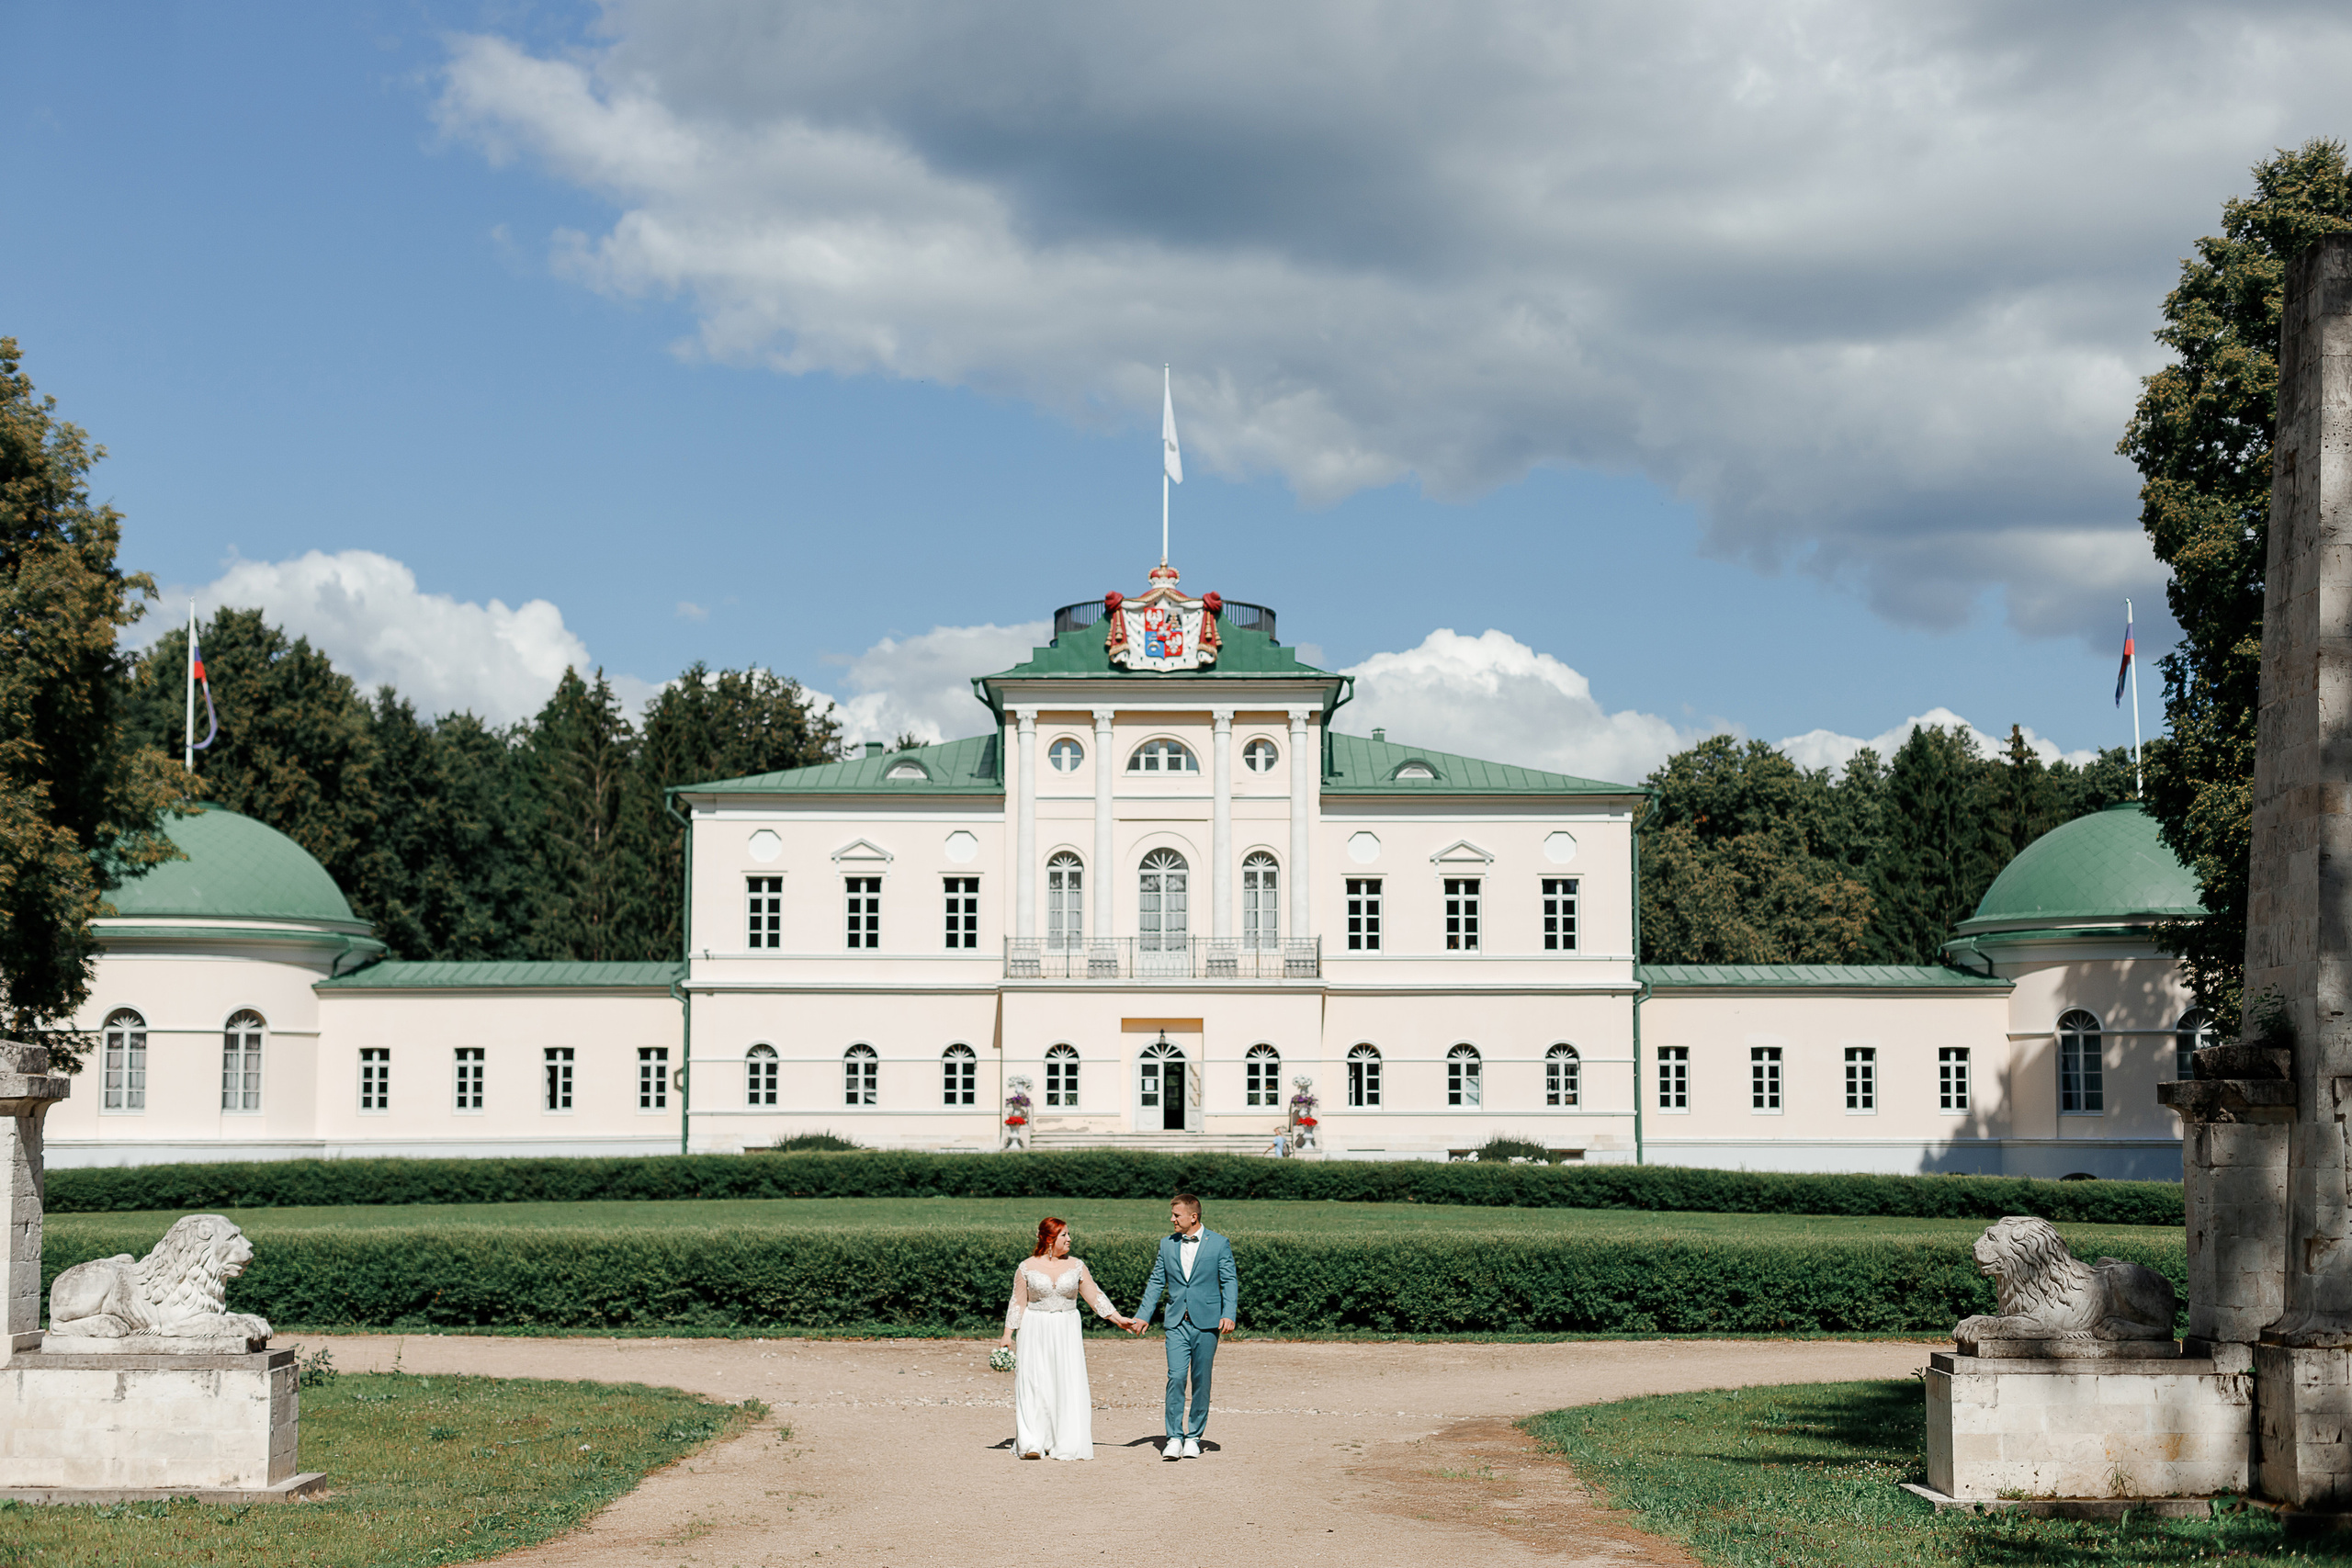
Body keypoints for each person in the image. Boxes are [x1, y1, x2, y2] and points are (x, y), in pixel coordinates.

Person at [999, 1216, 1137, 1460]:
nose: (1070, 1239)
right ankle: (1032, 1442)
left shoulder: (1076, 1265)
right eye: (1064, 1235)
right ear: (1049, 1239)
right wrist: (1007, 1336)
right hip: (1035, 1327)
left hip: (1066, 1328)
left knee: (1066, 1381)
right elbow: (1018, 1303)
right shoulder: (1026, 1267)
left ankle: (1065, 1440)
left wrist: (1118, 1318)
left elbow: (1095, 1296)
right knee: (1034, 1382)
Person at [1124, 1193, 1238, 1460]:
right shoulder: (1166, 1244)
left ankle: (1194, 1437)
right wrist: (1143, 1315)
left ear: (1193, 1217)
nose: (1172, 1219)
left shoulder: (1219, 1243)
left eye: (1176, 1215)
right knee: (1175, 1377)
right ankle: (1174, 1437)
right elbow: (1155, 1281)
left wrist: (1228, 1313)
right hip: (1176, 1323)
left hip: (1208, 1322)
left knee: (1201, 1380)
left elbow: (1229, 1280)